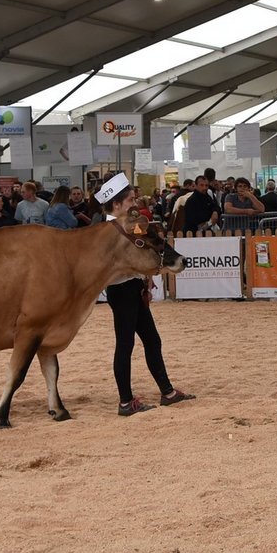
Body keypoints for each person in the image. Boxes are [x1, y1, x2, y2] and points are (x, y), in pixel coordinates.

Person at [97, 172, 193, 417]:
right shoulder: (107, 231)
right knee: (125, 344)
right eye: (129, 200)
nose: (134, 204)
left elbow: (150, 247)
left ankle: (168, 392)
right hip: (121, 290)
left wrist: (147, 279)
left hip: (135, 287)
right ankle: (126, 402)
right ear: (116, 204)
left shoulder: (131, 224)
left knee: (152, 340)